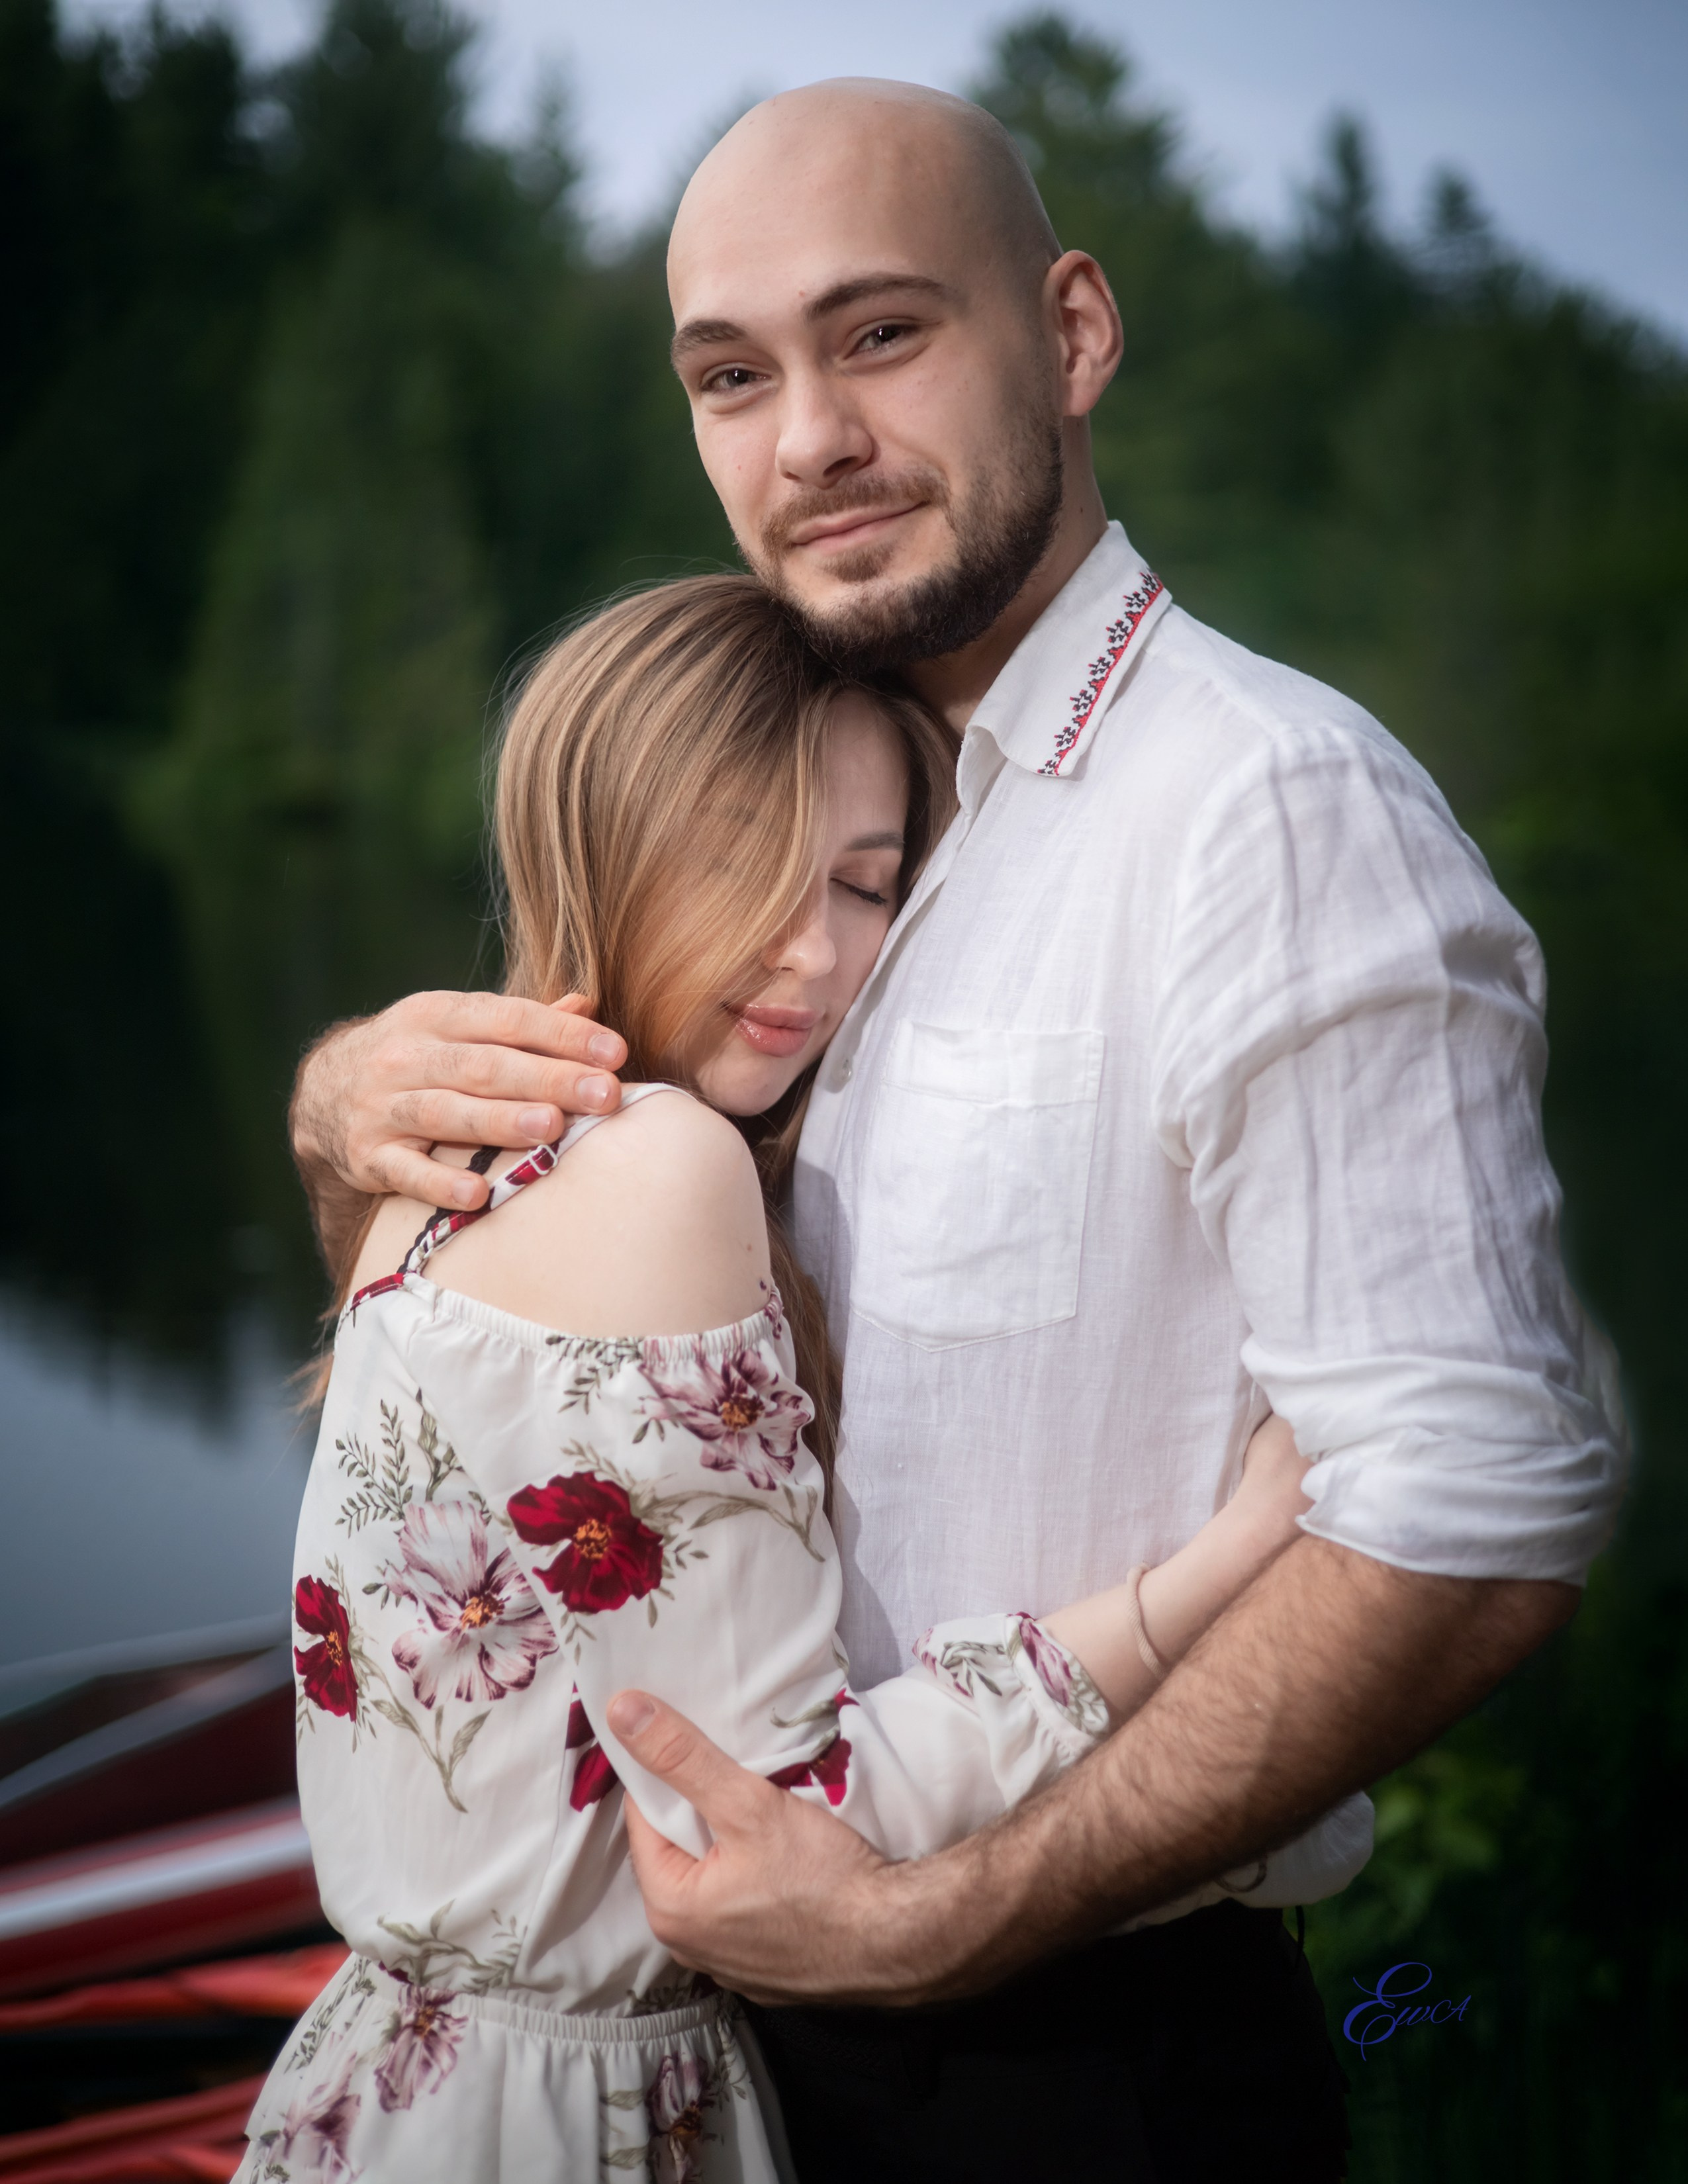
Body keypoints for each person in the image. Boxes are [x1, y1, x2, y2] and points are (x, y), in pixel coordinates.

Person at [287, 80, 1624, 2184]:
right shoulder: (836, 793)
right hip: (725, 2034)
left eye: (880, 333)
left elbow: (1471, 1510)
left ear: (1072, 331)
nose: (804, 434)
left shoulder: (1255, 804)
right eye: (732, 374)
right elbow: (528, 1430)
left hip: (1059, 2050)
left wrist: (934, 1922)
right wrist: (344, 1114)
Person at [242, 578, 1360, 2183]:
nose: (808, 948)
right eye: (741, 862)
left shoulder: (429, 1157)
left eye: (863, 882)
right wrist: (1219, 1572)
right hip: (578, 2118)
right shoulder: (664, 1168)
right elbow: (775, 1819)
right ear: (603, 845)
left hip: (391, 2079)